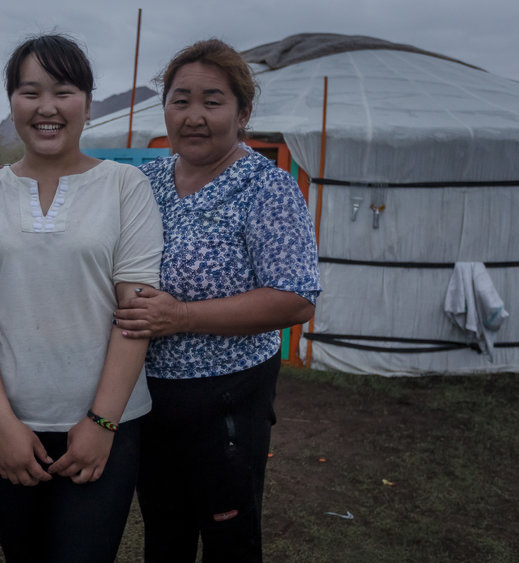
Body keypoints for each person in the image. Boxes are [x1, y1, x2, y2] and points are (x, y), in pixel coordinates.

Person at [0, 34, 163, 563]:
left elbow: (135, 312)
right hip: (2, 424)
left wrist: (102, 423)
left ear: (87, 101)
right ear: (12, 103)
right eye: (28, 92)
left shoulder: (125, 187)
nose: (46, 108)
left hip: (106, 423)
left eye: (63, 91)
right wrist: (1, 425)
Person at [113, 39, 322, 562]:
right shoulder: (147, 180)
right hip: (147, 396)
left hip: (226, 402)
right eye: (180, 100)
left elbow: (296, 299)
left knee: (229, 539)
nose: (194, 116)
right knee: (164, 535)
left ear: (243, 111)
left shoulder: (265, 187)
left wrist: (181, 315)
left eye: (212, 101)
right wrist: (12, 182)